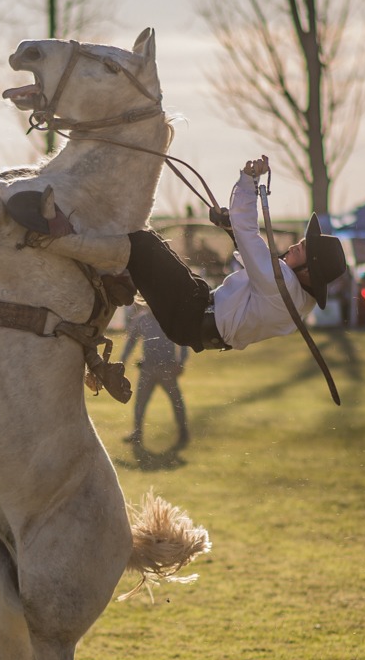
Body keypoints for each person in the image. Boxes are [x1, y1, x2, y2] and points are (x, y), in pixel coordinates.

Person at [123, 155, 347, 352]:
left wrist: (249, 182)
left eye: (301, 249)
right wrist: (231, 229)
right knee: (150, 244)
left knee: (140, 241)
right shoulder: (297, 298)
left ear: (307, 272)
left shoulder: (284, 285)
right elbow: (256, 261)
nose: (292, 247)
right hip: (196, 311)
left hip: (190, 315)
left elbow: (248, 233)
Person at [122, 303, 191, 449]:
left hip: (167, 368)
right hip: (148, 367)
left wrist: (181, 362)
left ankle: (183, 432)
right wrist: (122, 361)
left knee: (176, 401)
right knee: (140, 403)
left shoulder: (170, 318)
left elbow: (184, 341)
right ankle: (137, 433)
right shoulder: (141, 319)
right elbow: (131, 341)